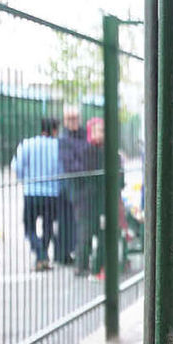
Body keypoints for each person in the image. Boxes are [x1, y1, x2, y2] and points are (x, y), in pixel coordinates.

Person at [12, 117, 60, 272]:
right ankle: (43, 256)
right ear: (54, 130)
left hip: (31, 192)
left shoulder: (27, 144)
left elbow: (16, 166)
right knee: (48, 227)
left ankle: (40, 254)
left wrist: (25, 180)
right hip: (52, 194)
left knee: (29, 227)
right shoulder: (58, 146)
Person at [74, 116, 106, 278]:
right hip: (87, 201)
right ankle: (81, 266)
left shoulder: (105, 150)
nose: (103, 134)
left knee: (101, 234)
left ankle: (96, 266)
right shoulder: (86, 150)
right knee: (84, 235)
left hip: (100, 200)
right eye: (100, 130)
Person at [56, 105, 87, 265]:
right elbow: (69, 164)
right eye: (70, 119)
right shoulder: (64, 138)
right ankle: (64, 254)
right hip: (69, 186)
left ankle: (76, 253)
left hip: (84, 186)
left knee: (79, 222)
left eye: (75, 118)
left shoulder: (84, 135)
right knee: (66, 222)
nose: (73, 121)